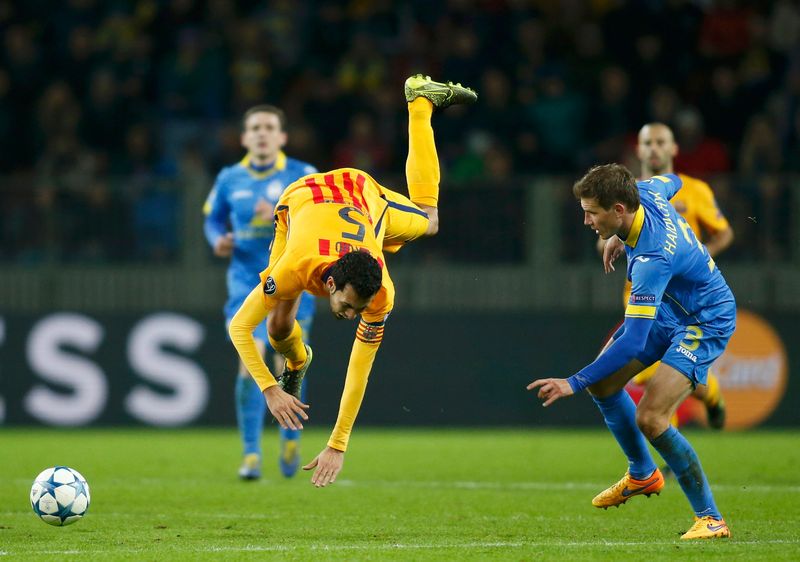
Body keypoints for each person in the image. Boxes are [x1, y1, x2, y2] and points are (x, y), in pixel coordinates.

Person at [228, 75, 477, 488]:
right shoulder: (292, 268)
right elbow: (239, 327)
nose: (353, 314)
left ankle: (420, 103)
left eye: (359, 308)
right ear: (328, 286)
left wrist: (337, 443)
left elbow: (359, 367)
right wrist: (271, 389)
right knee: (275, 328)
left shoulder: (381, 293)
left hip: (362, 192)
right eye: (349, 305)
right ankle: (297, 361)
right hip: (301, 201)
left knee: (429, 221)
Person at [529, 164, 734, 540]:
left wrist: (572, 382)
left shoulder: (651, 260)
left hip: (704, 320)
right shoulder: (646, 192)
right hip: (671, 309)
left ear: (619, 209)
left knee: (651, 418)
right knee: (604, 385)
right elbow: (674, 180)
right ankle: (642, 473)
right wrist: (619, 237)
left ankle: (712, 519)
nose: (587, 220)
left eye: (592, 212)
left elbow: (633, 342)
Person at [204, 105, 318, 480]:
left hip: (292, 280)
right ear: (244, 137)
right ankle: (251, 453)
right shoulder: (229, 178)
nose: (262, 133)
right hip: (245, 283)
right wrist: (217, 239)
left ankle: (289, 436)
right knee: (249, 359)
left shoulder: (304, 176)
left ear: (282, 137)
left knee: (290, 361)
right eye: (255, 127)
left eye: (269, 127)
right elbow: (212, 219)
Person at [599, 122, 734, 429]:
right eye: (648, 143)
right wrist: (613, 238)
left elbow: (725, 233)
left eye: (661, 142)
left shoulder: (694, 189)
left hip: (687, 294)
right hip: (644, 289)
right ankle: (665, 444)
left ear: (674, 149)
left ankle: (710, 395)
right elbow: (603, 234)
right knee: (649, 372)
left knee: (668, 366)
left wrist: (699, 258)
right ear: (639, 150)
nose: (654, 148)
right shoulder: (623, 193)